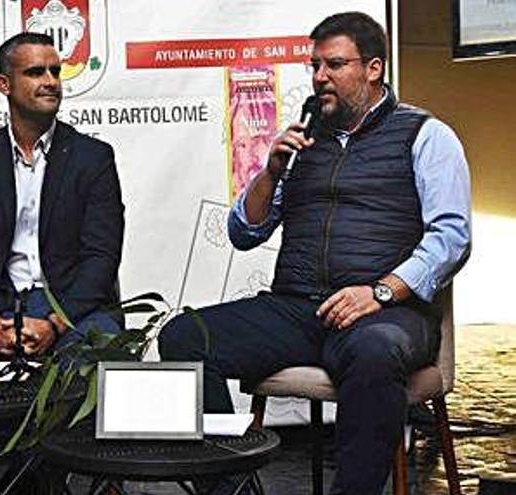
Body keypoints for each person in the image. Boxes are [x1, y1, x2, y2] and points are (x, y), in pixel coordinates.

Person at [158, 12, 470, 495]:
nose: (320, 76)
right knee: (184, 338)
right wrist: (271, 171)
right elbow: (244, 232)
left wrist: (380, 292)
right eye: (315, 66)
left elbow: (452, 236)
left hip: (384, 312)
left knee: (374, 351)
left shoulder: (425, 136)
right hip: (297, 307)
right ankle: (231, 488)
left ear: (373, 68)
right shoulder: (302, 142)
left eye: (334, 65)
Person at [0, 32, 124, 360]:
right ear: (4, 84)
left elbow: (101, 258)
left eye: (55, 71)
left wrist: (54, 324)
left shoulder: (93, 158)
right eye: (36, 72)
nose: (51, 81)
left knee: (91, 360)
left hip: (74, 307)